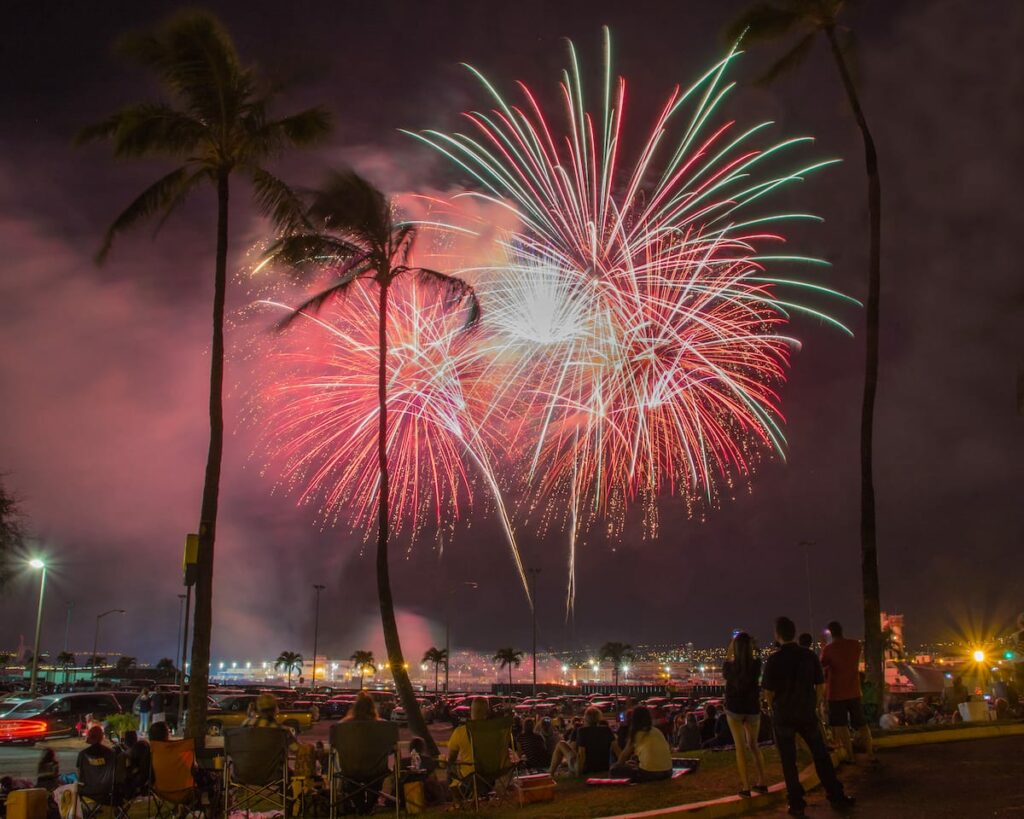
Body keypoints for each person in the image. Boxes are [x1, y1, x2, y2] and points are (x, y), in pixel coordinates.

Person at [763, 616, 854, 817]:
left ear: (777, 635)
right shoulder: (808, 656)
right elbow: (820, 685)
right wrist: (814, 704)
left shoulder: (774, 660)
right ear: (794, 633)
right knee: (821, 755)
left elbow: (768, 692)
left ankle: (796, 804)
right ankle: (836, 795)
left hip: (784, 715)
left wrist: (772, 709)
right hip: (806, 713)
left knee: (789, 762)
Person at [722, 631, 768, 798]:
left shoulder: (729, 667)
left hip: (734, 709)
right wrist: (753, 645)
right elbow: (758, 654)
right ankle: (762, 782)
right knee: (754, 746)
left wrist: (732, 643)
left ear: (735, 648)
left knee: (740, 748)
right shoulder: (756, 665)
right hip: (752, 708)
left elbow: (727, 659)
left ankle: (746, 786)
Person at [821, 620, 874, 762]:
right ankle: (870, 753)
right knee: (862, 724)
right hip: (854, 691)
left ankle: (850, 756)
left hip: (836, 693)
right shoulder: (855, 645)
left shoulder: (829, 649)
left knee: (841, 725)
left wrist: (824, 648)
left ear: (831, 633)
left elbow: (823, 664)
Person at [548, 706, 617, 777]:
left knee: (561, 744)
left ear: (586, 718)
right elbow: (617, 750)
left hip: (585, 768)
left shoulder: (582, 731)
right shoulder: (607, 730)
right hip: (603, 767)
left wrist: (578, 774)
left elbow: (582, 755)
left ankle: (551, 773)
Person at [610, 706, 672, 783]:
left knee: (614, 770)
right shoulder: (656, 731)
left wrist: (618, 765)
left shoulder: (636, 733)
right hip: (668, 771)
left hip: (650, 773)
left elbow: (624, 756)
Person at [121, 730, 151, 797]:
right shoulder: (144, 748)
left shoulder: (127, 755)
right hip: (146, 780)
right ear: (136, 739)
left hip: (133, 783)